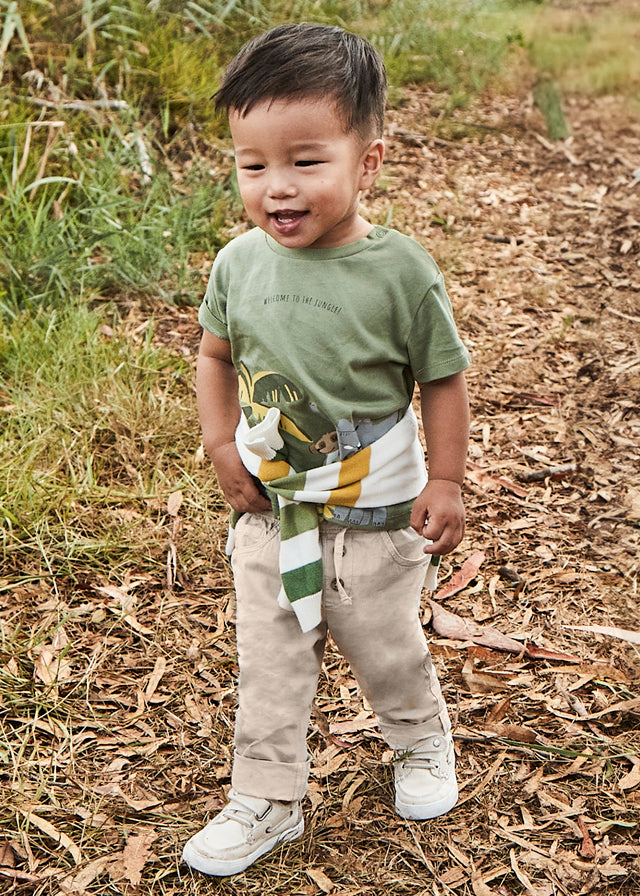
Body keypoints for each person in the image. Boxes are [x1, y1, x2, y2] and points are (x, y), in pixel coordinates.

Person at [182, 22, 471, 878]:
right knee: (269, 659)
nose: (277, 186)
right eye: (253, 165)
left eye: (306, 161)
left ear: (367, 163)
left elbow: (442, 379)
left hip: (375, 514)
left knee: (385, 646)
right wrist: (219, 442)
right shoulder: (239, 265)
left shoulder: (400, 274)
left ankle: (420, 740)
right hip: (273, 510)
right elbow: (214, 356)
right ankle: (266, 795)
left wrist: (447, 479)